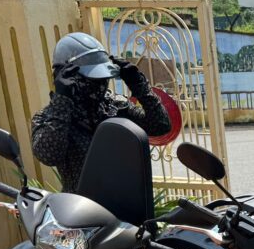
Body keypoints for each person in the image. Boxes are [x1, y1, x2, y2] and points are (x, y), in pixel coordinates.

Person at [31, 32, 171, 191]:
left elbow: (160, 125)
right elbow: (49, 155)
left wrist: (140, 87)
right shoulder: (49, 118)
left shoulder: (116, 106)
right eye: (93, 79)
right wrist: (62, 100)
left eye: (103, 78)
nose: (100, 84)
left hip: (129, 203)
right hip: (83, 207)